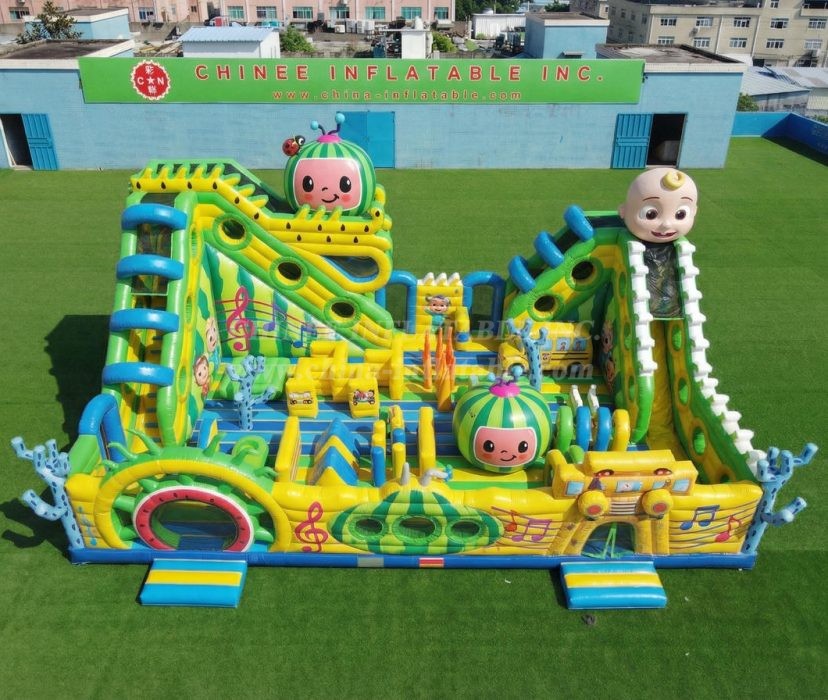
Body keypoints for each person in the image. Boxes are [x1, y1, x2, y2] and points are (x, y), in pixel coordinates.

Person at [618, 168, 698, 319]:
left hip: (672, 308)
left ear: (694, 211)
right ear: (624, 211)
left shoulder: (681, 248)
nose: (667, 224)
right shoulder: (624, 243)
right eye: (651, 214)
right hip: (634, 304)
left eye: (680, 214)